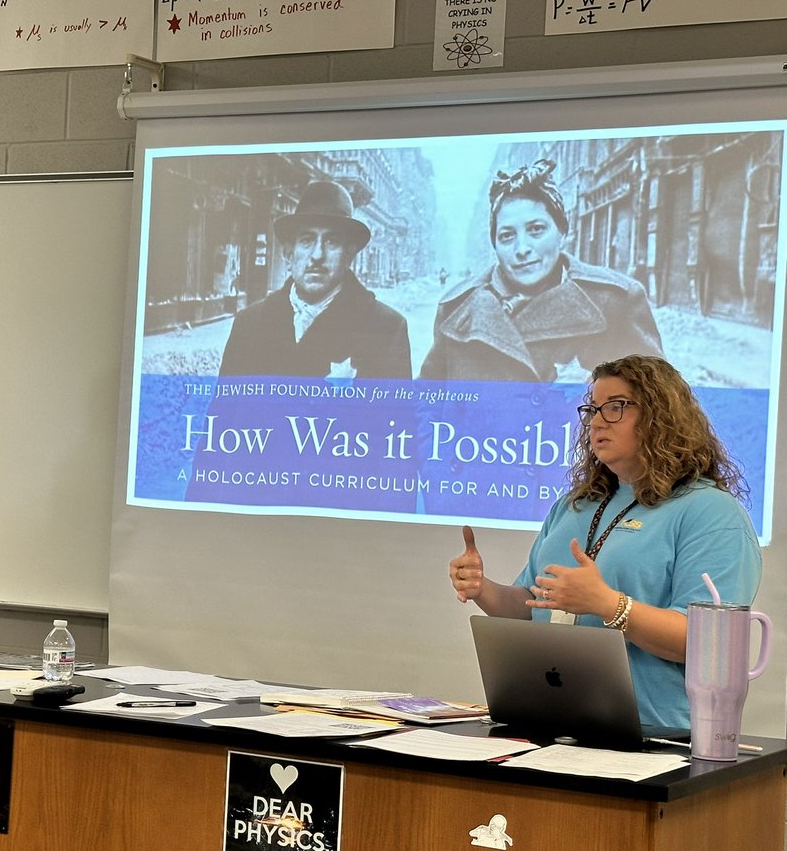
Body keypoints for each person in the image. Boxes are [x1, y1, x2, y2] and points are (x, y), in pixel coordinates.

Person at [446, 355, 761, 729]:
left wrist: (608, 604)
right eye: (593, 409)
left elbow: (708, 644)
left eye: (615, 407)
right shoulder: (575, 505)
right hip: (552, 723)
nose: (596, 421)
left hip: (656, 740)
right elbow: (532, 606)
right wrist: (483, 589)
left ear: (661, 415)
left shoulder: (710, 513)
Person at [421, 159, 663, 382]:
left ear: (562, 232)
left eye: (536, 229)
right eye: (507, 236)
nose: (522, 248)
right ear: (495, 245)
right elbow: (426, 401)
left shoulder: (615, 302)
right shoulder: (456, 308)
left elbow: (654, 406)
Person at [219, 180, 411, 379]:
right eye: (307, 240)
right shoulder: (249, 323)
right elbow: (225, 409)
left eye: (332, 241)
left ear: (349, 255)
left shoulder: (386, 329)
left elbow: (393, 409)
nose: (317, 255)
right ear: (288, 253)